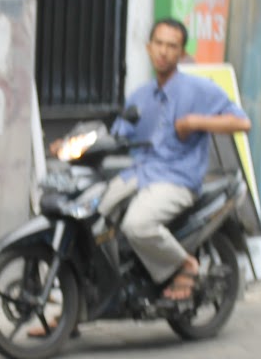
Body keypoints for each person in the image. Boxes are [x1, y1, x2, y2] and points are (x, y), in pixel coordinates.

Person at [98, 18, 251, 300]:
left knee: (136, 225)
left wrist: (196, 121)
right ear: (148, 47)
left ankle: (185, 265)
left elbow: (242, 122)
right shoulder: (141, 95)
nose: (163, 51)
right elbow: (118, 133)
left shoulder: (198, 89)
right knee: (93, 217)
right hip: (138, 174)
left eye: (171, 46)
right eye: (159, 44)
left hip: (177, 179)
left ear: (182, 53)